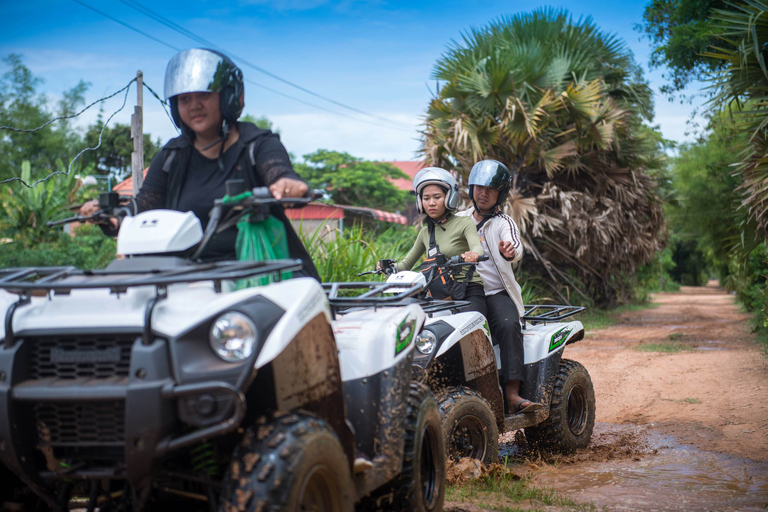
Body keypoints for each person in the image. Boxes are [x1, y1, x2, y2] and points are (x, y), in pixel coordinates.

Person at [79, 48, 319, 279]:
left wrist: (288, 186)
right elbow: (144, 206)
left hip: (262, 274)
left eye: (204, 95)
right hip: (190, 280)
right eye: (185, 99)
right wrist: (111, 216)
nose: (194, 105)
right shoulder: (172, 156)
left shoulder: (257, 144)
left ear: (228, 96)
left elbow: (279, 173)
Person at [456, 159, 542, 416]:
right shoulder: (457, 219)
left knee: (507, 324)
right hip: (464, 291)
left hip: (495, 292)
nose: (483, 193)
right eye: (479, 187)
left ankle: (512, 394)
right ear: (471, 188)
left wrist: (509, 250)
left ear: (500, 194)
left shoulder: (504, 222)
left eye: (490, 189)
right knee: (462, 329)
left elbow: (515, 246)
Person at [384, 167, 484, 302]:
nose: (431, 203)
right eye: (426, 198)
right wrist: (387, 267)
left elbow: (477, 248)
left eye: (437, 197)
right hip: (440, 295)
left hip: (468, 289)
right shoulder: (425, 232)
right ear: (420, 202)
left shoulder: (464, 223)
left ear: (449, 198)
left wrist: (474, 254)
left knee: (474, 320)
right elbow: (405, 266)